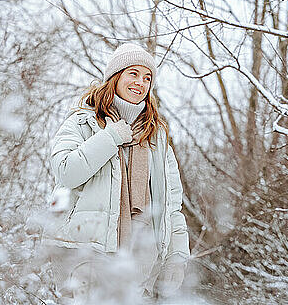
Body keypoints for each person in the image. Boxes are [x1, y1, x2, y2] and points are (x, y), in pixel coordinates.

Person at [42, 43, 190, 303]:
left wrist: (177, 257)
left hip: (142, 260)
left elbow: (172, 205)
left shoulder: (156, 137)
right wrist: (111, 137)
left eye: (147, 78)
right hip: (85, 253)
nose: (140, 83)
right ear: (115, 77)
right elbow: (66, 172)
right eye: (133, 73)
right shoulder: (83, 122)